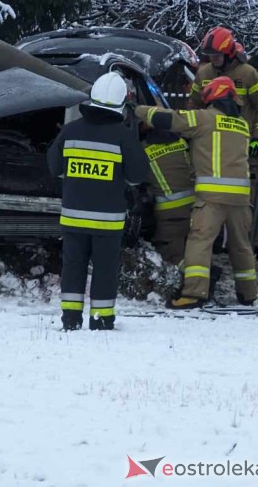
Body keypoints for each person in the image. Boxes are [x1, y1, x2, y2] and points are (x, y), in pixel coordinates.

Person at [136, 77, 258, 309]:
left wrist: (138, 110)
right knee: (241, 245)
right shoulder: (242, 124)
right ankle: (248, 293)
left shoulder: (205, 119)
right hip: (241, 197)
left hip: (212, 197)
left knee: (199, 242)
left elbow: (169, 119)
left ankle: (194, 293)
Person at [47, 72, 149, 331]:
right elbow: (138, 176)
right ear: (120, 104)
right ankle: (102, 319)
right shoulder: (124, 136)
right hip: (107, 221)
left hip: (72, 217)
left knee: (73, 266)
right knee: (104, 269)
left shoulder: (70, 131)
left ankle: (70, 318)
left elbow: (54, 167)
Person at [187, 26, 258, 156]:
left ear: (229, 54)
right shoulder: (204, 73)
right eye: (210, 55)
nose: (213, 59)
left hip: (241, 142)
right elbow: (194, 105)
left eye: (217, 55)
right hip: (210, 142)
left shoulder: (247, 73)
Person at [141, 125, 195, 266]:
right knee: (194, 252)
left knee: (172, 261)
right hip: (195, 209)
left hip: (170, 215)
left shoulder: (143, 149)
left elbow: (136, 178)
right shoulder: (182, 142)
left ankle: (193, 283)